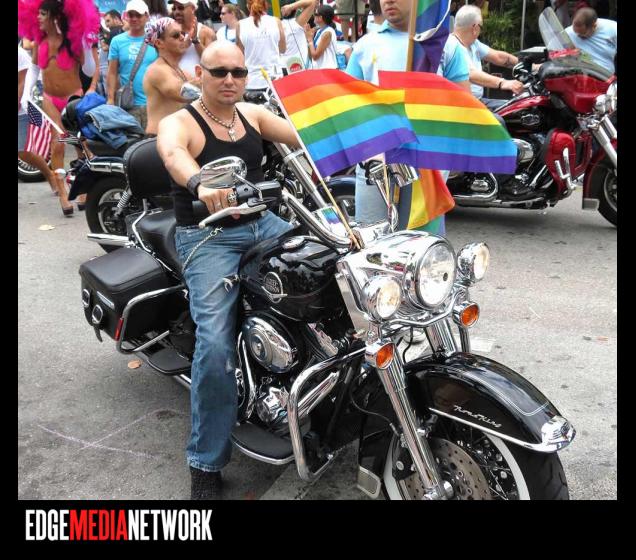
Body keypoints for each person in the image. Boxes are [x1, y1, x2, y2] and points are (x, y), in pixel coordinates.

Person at [157, 41, 299, 500]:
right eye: (219, 72)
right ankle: (205, 461)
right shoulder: (182, 121)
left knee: (328, 269)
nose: (230, 80)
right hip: (207, 235)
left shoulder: (252, 115)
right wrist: (199, 182)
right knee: (215, 345)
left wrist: (354, 133)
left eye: (238, 71)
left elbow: (302, 134)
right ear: (200, 74)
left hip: (262, 221)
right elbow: (173, 153)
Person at [346, 0, 469, 235]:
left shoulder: (445, 45)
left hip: (427, 169)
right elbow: (348, 106)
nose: (388, 1)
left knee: (423, 245)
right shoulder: (365, 46)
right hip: (375, 165)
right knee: (373, 242)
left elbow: (463, 109)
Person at [18, 0, 101, 217]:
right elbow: (34, 69)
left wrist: (85, 46)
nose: (38, 18)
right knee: (57, 145)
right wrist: (26, 95)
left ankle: (84, 188)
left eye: (42, 14)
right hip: (49, 99)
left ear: (54, 17)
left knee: (81, 144)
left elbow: (89, 70)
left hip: (73, 97)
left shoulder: (72, 41)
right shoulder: (40, 42)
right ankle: (63, 193)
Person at [450, 4, 523, 110]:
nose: (481, 31)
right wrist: (502, 82)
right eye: (481, 27)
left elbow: (498, 57)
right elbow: (470, 73)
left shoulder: (473, 43)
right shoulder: (452, 45)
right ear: (475, 28)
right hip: (463, 107)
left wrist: (528, 66)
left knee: (516, 108)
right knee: (500, 119)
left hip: (478, 100)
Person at [143, 16, 200, 134]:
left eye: (182, 33)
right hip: (158, 138)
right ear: (159, 43)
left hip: (177, 136)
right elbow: (181, 93)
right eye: (175, 35)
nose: (182, 37)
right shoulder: (156, 70)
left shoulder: (181, 71)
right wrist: (208, 78)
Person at [107, 0, 158, 130]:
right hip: (128, 105)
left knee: (153, 142)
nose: (134, 19)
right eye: (131, 15)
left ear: (147, 16)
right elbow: (112, 72)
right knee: (131, 142)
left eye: (138, 15)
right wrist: (110, 99)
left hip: (154, 104)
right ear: (126, 16)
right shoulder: (117, 41)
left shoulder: (156, 40)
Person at [18, 43, 60, 198]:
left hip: (20, 110)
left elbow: (22, 82)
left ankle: (49, 174)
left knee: (23, 153)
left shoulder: (20, 54)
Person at [236, 0, 286, 92]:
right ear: (266, 5)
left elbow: (239, 54)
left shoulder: (240, 24)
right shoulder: (276, 21)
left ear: (248, 6)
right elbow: (283, 49)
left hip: (252, 81)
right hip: (275, 79)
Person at [168, 1, 217, 75]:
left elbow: (212, 62)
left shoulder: (206, 32)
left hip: (199, 81)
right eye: (174, 9)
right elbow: (167, 59)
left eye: (181, 8)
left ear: (193, 8)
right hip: (177, 80)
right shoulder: (170, 33)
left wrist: (195, 41)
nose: (176, 12)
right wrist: (183, 46)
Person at [565, 7, 617, 74]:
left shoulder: (613, 29)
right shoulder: (567, 33)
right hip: (580, 74)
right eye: (575, 32)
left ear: (594, 26)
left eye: (582, 34)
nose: (578, 36)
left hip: (606, 75)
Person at [279, 0, 314, 72]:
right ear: (295, 10)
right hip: (301, 68)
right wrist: (291, 6)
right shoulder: (298, 23)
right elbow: (312, 2)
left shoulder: (277, 25)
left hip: (284, 69)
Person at [305, 4, 339, 69]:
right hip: (319, 70)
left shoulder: (327, 33)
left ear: (320, 17)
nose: (313, 15)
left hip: (327, 70)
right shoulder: (319, 31)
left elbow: (315, 56)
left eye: (315, 14)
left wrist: (310, 40)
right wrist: (308, 40)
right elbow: (311, 56)